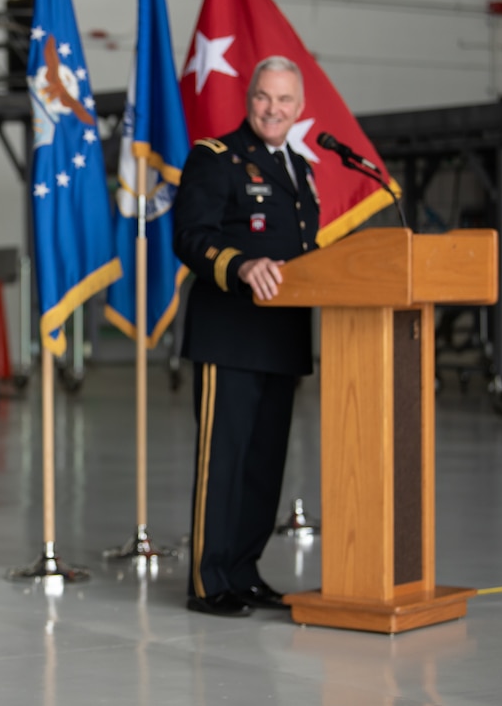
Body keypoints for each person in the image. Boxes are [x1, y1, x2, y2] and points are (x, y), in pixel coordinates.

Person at [172, 56, 319, 618]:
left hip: (282, 340)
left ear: (299, 108)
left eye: (284, 100)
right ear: (249, 99)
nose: (273, 109)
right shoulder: (216, 158)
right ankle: (210, 582)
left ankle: (244, 571)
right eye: (264, 97)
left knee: (264, 466)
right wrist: (240, 266)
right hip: (229, 337)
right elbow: (190, 236)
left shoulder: (302, 168)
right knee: (225, 462)